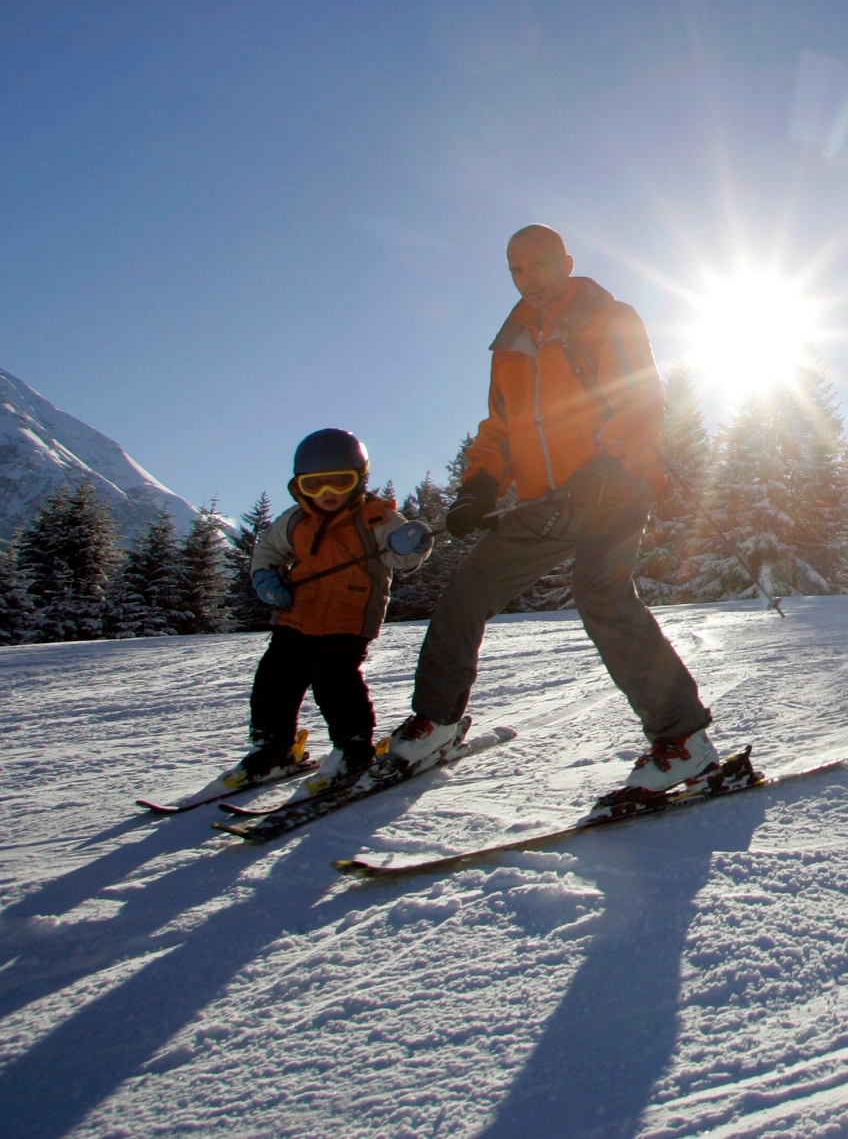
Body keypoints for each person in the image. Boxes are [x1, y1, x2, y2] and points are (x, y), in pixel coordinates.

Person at [387, 224, 716, 795]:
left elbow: (641, 398)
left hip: (614, 484)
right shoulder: (510, 342)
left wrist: (607, 461)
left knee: (600, 591)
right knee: (468, 587)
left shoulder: (608, 316)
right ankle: (439, 721)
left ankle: (684, 739)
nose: (526, 278)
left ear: (565, 262)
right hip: (548, 500)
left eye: (537, 264)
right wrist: (479, 487)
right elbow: (500, 428)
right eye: (515, 269)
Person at [231, 429, 434, 793]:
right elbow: (269, 551)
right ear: (299, 486)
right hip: (297, 612)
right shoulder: (295, 520)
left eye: (339, 483)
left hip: (349, 616)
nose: (327, 495)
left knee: (334, 678)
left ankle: (354, 748)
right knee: (275, 677)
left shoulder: (376, 519)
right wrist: (264, 576)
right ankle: (272, 745)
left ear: (360, 479)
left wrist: (413, 544)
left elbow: (399, 557)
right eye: (315, 486)